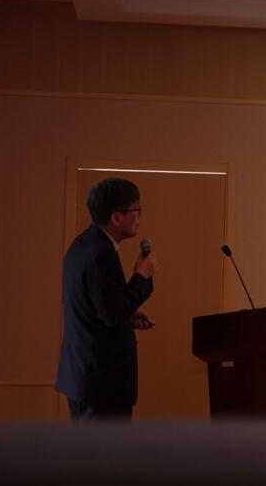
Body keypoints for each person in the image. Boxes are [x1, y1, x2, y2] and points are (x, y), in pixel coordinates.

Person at [56, 178, 159, 420]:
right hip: (101, 384)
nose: (139, 216)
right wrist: (141, 276)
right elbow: (113, 315)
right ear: (116, 218)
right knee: (103, 446)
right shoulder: (102, 254)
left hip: (85, 377)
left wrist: (128, 314)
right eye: (136, 209)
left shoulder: (83, 244)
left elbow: (94, 305)